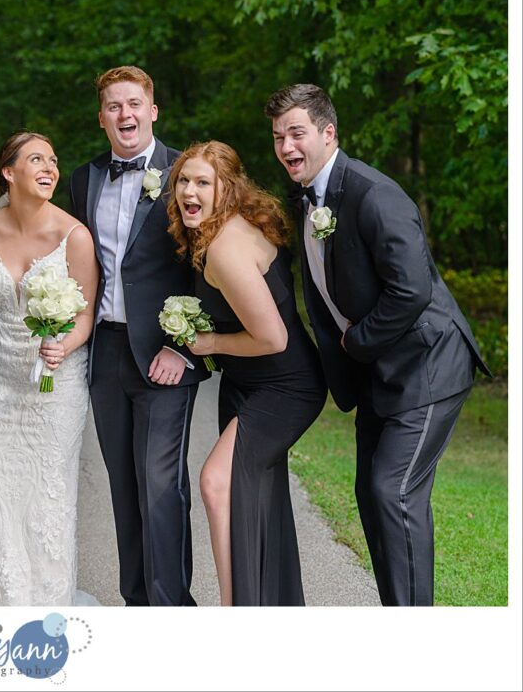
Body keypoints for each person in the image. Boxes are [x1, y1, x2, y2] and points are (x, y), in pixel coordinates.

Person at [265, 83, 491, 606]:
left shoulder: (374, 194)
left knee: (395, 492)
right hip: (378, 372)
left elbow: (410, 290)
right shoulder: (307, 199)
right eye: (278, 137)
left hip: (429, 365)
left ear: (328, 133)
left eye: (296, 133)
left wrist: (354, 342)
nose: (286, 147)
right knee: (372, 495)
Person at [68, 66, 210, 606]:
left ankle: (171, 608)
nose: (124, 115)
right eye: (113, 106)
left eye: (134, 104)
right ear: (101, 117)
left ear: (153, 111)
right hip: (105, 352)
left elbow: (207, 267)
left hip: (165, 355)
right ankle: (136, 603)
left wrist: (183, 346)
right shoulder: (84, 180)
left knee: (160, 486)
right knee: (123, 489)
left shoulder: (186, 174)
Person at [166, 140, 326, 606]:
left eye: (202, 182)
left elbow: (273, 338)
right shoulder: (220, 230)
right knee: (256, 497)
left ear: (226, 189)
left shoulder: (225, 250)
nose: (189, 192)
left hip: (285, 386)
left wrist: (207, 344)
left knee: (217, 483)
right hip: (248, 383)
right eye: (183, 181)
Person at [0, 132, 98, 606]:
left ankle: (44, 604)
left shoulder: (74, 236)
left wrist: (65, 345)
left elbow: (86, 314)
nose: (49, 168)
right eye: (36, 159)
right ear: (8, 171)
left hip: (54, 382)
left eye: (54, 160)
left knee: (48, 489)